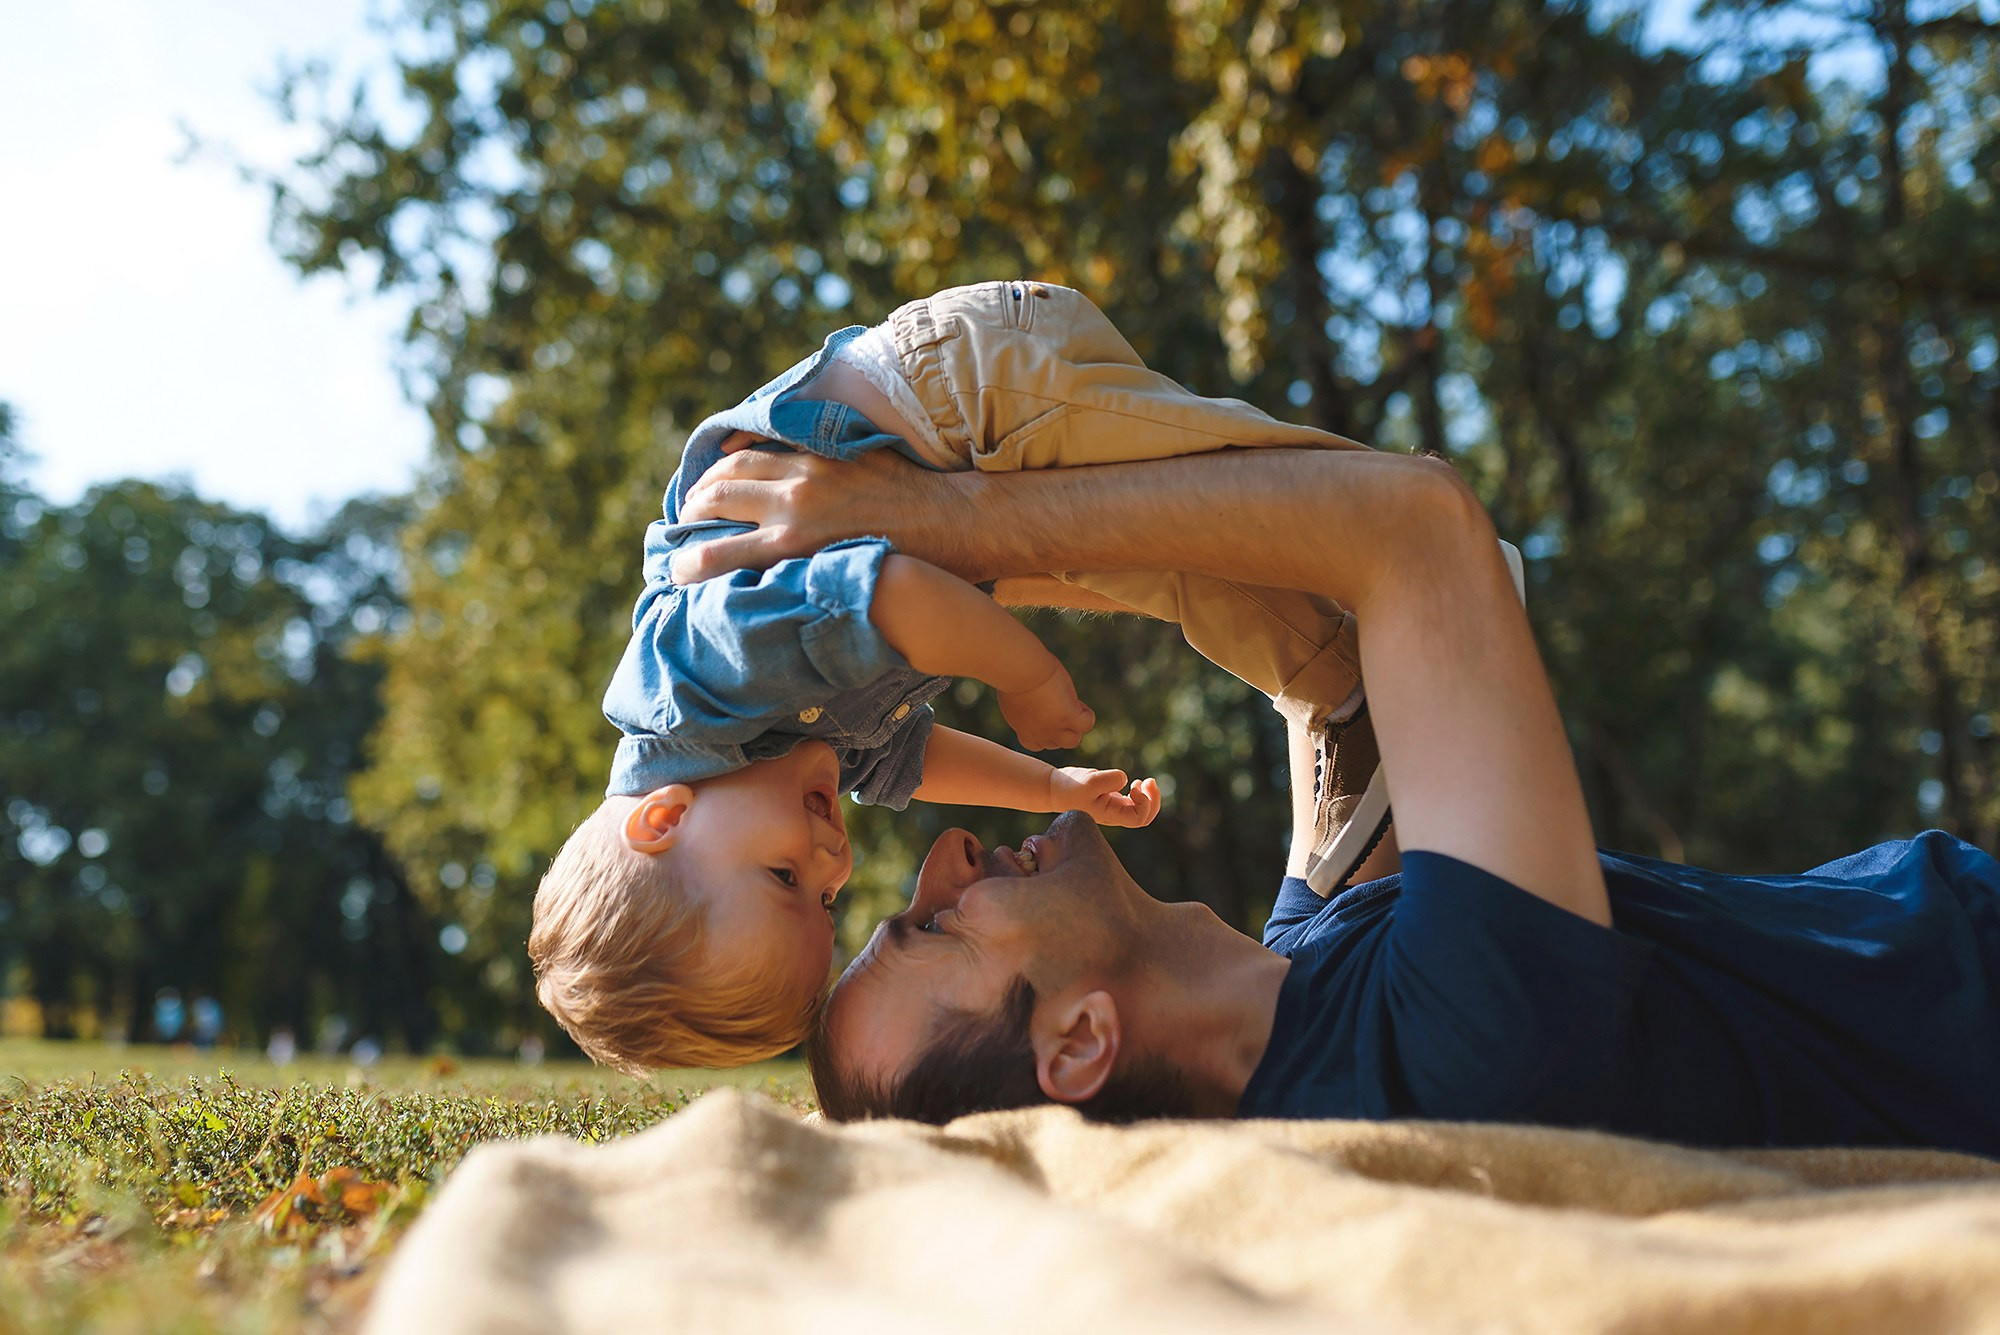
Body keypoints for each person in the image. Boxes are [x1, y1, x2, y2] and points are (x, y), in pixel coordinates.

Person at [668, 441, 2000, 1157]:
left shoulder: (1292, 975)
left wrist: (918, 594)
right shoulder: (1455, 1057)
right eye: (934, 929)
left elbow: (1325, 682)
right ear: (1076, 1044)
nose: (939, 856)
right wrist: (950, 519)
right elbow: (1416, 525)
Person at [529, 283, 1388, 1074]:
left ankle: (1393, 518)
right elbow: (923, 758)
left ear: (665, 817)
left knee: (1206, 476)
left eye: (782, 878)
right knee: (1185, 549)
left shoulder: (698, 677)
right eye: (828, 902)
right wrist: (1052, 783)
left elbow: (890, 593)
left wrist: (1029, 679)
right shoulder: (789, 750)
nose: (831, 859)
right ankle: (1358, 647)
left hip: (953, 392)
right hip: (971, 462)